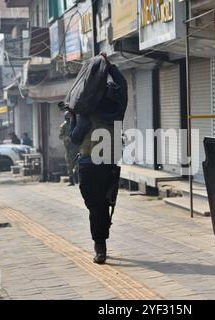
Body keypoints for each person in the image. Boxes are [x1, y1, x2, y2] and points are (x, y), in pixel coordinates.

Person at [70, 53, 128, 264]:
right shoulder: (117, 107)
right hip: (110, 163)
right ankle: (101, 239)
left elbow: (76, 139)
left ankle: (100, 246)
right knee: (102, 205)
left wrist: (73, 121)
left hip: (88, 163)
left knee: (96, 206)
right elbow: (123, 84)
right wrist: (110, 66)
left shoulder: (85, 111)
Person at [59, 111, 79, 186]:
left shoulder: (75, 124)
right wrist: (66, 138)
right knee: (69, 164)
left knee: (77, 162)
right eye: (67, 116)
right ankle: (71, 180)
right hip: (68, 147)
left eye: (69, 116)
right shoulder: (63, 126)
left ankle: (76, 175)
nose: (69, 118)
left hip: (75, 146)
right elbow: (60, 136)